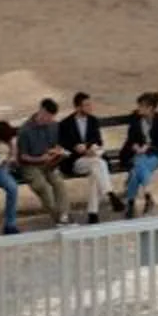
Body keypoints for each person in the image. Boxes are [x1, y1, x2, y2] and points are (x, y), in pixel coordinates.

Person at [58, 91, 114, 222]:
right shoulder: (65, 124)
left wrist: (89, 147)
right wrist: (76, 148)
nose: (90, 107)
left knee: (96, 169)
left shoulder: (93, 120)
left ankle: (93, 213)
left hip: (92, 157)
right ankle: (109, 192)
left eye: (90, 104)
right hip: (76, 162)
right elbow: (63, 146)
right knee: (99, 164)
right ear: (77, 107)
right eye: (86, 105)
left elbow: (99, 141)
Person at [13, 98, 71, 221]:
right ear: (42, 111)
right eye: (48, 117)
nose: (50, 120)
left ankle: (64, 214)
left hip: (49, 163)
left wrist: (57, 151)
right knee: (43, 187)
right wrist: (39, 158)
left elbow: (55, 145)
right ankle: (57, 217)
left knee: (59, 183)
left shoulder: (53, 126)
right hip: (30, 165)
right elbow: (22, 157)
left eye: (52, 117)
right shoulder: (25, 130)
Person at [119, 91, 158, 217]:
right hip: (136, 152)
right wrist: (136, 146)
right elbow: (131, 138)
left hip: (155, 155)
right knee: (139, 165)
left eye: (141, 106)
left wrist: (149, 147)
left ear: (150, 108)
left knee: (136, 169)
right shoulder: (135, 117)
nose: (138, 108)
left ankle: (131, 203)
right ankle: (148, 196)